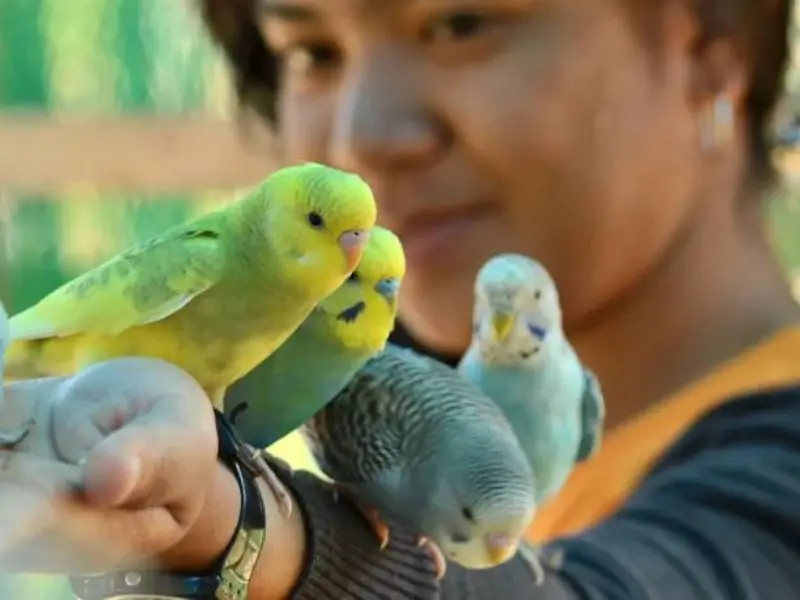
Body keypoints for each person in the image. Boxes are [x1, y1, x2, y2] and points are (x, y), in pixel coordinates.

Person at [3, 0, 800, 598]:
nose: (362, 138)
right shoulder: (347, 362)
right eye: (312, 51)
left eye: (461, 24)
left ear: (708, 50)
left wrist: (238, 522)